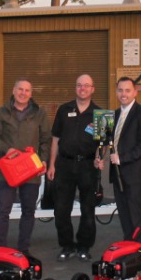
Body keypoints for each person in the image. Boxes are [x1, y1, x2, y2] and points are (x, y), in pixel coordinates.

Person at [0, 78, 51, 254]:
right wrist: (6, 149)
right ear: (14, 91)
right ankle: (0, 250)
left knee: (28, 211)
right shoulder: (2, 113)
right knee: (2, 211)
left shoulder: (39, 114)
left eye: (27, 90)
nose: (23, 93)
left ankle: (23, 249)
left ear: (31, 93)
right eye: (20, 89)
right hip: (7, 172)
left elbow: (46, 139)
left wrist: (44, 159)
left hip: (31, 171)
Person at [48, 74, 102, 261]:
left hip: (88, 166)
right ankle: (67, 245)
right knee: (61, 209)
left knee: (88, 209)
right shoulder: (64, 110)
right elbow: (55, 139)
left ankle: (84, 246)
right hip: (64, 165)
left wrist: (99, 159)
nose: (83, 89)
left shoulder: (100, 114)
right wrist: (51, 165)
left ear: (92, 89)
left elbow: (104, 144)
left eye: (86, 85)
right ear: (75, 88)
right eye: (79, 85)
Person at [105, 77, 141, 243]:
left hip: (135, 175)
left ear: (135, 92)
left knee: (136, 216)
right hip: (118, 175)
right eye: (120, 90)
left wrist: (122, 158)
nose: (123, 94)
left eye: (127, 90)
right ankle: (129, 248)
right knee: (125, 216)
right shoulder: (114, 114)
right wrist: (100, 157)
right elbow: (109, 142)